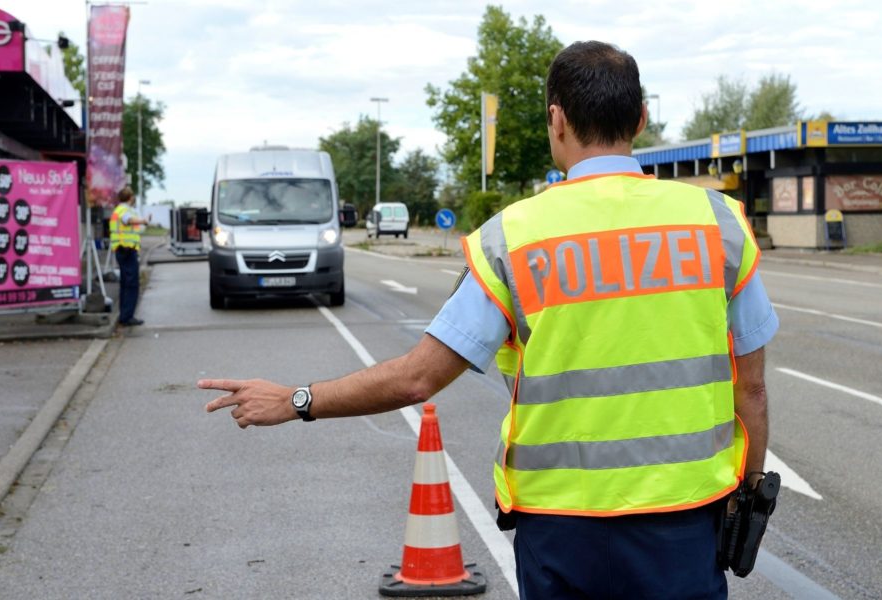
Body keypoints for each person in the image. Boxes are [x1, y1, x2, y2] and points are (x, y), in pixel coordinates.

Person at [200, 41, 777, 599]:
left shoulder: (515, 237)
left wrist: (297, 399)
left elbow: (416, 378)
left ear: (557, 119)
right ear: (642, 118)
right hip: (683, 527)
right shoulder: (718, 224)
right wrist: (744, 499)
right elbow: (750, 390)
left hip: (561, 531)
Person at [109, 187, 150, 326]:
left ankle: (125, 315)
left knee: (126, 283)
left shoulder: (120, 209)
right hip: (126, 250)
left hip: (123, 250)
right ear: (130, 197)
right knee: (131, 284)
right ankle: (127, 316)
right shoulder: (124, 210)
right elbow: (128, 220)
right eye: (133, 196)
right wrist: (143, 221)